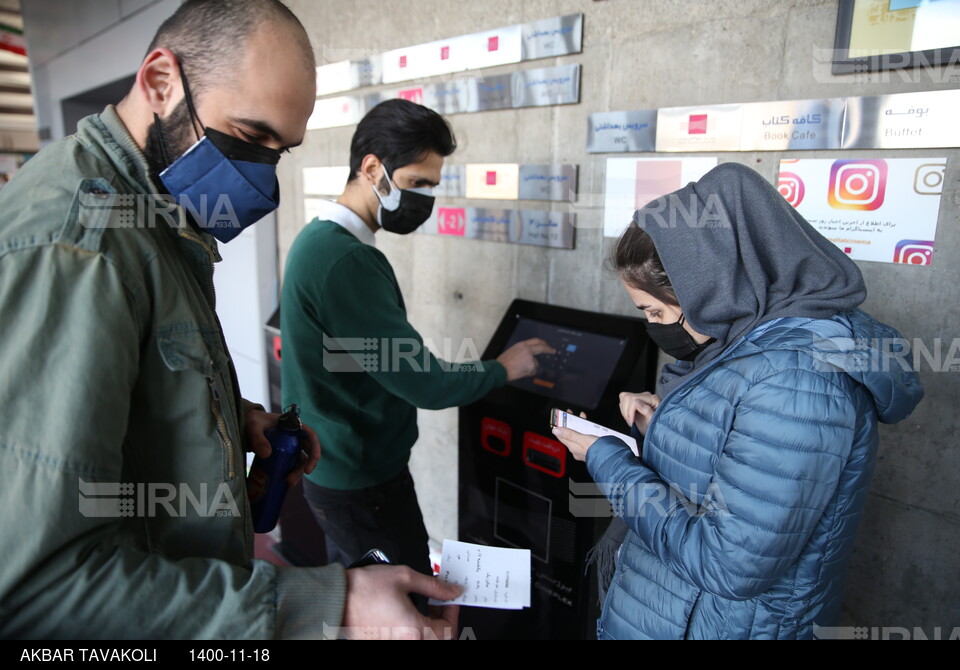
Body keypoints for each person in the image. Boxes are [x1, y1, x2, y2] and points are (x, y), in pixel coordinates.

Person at [0, 0, 460, 640]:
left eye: (281, 149)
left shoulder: (155, 215)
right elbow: (39, 590)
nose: (261, 174)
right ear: (161, 82)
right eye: (250, 136)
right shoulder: (80, 245)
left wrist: (227, 415)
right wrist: (326, 607)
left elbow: (125, 380)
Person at [552, 162, 924, 640]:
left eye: (656, 312)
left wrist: (608, 459)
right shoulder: (749, 344)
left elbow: (729, 565)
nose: (656, 327)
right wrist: (668, 425)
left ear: (713, 288)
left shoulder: (800, 381)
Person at [282, 98, 553, 576]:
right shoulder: (345, 261)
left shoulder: (320, 242)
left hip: (338, 472)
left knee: (355, 605)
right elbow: (423, 381)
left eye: (431, 186)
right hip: (361, 484)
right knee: (405, 612)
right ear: (372, 168)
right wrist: (505, 367)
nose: (425, 198)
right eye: (416, 183)